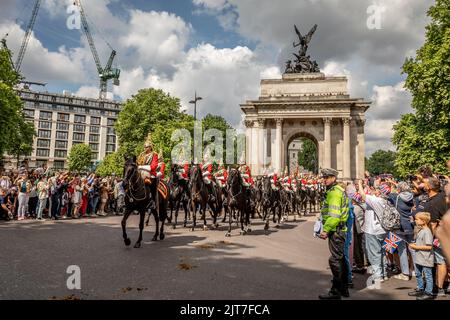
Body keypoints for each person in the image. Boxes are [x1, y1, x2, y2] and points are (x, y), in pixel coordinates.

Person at [318, 168, 350, 300]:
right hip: (339, 230)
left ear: (334, 178)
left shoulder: (334, 193)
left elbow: (335, 216)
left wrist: (326, 229)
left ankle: (335, 291)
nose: (324, 180)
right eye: (323, 177)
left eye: (327, 177)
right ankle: (343, 289)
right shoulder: (336, 190)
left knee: (335, 260)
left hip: (336, 230)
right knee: (341, 259)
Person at [418, 177, 448, 297]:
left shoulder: (432, 203)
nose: (421, 185)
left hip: (440, 235)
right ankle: (440, 285)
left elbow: (433, 225)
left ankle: (439, 288)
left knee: (440, 261)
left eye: (424, 183)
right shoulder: (442, 194)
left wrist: (429, 241)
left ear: (429, 187)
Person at [358, 180, 389, 283]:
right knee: (382, 252)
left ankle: (378, 276)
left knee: (374, 253)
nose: (373, 191)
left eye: (375, 190)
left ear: (379, 192)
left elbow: (362, 195)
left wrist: (359, 184)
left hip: (373, 230)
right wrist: (367, 186)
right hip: (383, 230)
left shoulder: (376, 200)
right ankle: (384, 273)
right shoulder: (386, 200)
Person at [387, 181, 415, 280]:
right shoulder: (412, 196)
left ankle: (405, 273)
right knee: (413, 249)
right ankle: (415, 270)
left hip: (400, 226)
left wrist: (393, 186)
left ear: (399, 189)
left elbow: (387, 195)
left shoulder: (396, 197)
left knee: (401, 250)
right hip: (411, 225)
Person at [408, 212, 435, 300]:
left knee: (427, 275)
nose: (415, 221)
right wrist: (415, 244)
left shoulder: (427, 232)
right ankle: (420, 288)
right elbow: (421, 242)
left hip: (426, 258)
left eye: (417, 219)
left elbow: (429, 246)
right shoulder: (421, 230)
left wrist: (416, 246)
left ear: (423, 221)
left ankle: (429, 292)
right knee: (418, 273)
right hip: (419, 257)